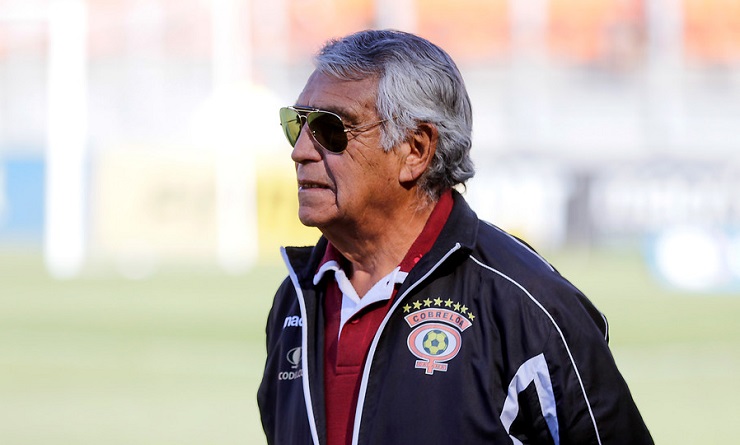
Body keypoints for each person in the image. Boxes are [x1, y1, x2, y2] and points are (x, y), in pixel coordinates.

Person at [257, 29, 653, 445]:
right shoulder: (297, 298)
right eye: (297, 125)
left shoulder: (525, 303)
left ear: (415, 149)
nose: (300, 151)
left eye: (331, 129)